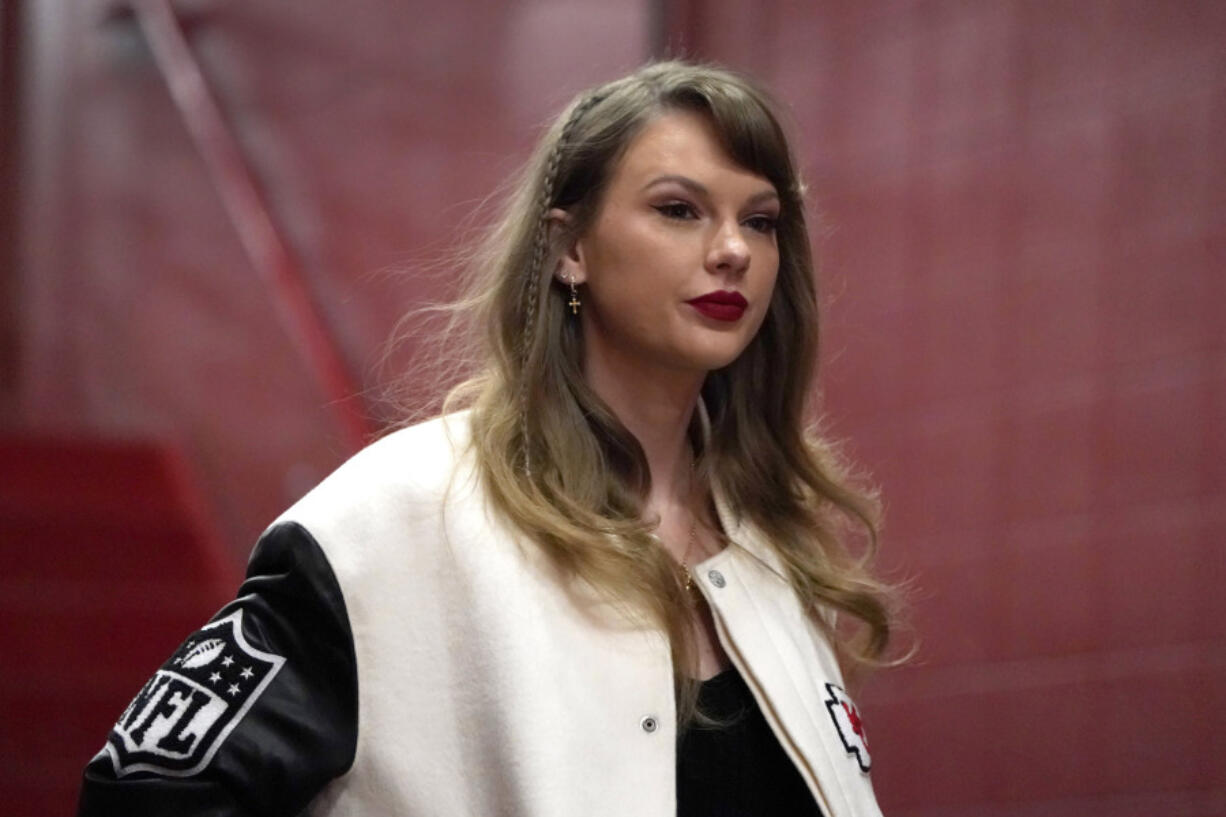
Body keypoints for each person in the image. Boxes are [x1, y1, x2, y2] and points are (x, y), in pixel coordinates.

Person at [77, 60, 900, 817]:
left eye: (760, 221)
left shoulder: (772, 552)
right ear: (567, 247)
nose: (731, 251)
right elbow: (143, 791)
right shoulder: (403, 515)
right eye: (678, 209)